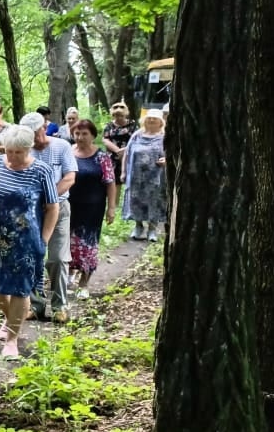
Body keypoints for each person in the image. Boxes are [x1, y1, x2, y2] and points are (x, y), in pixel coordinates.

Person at [0, 125, 59, 360]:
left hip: (25, 240)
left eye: (18, 152)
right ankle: (10, 319)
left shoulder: (41, 170)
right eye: (9, 151)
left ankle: (13, 338)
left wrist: (44, 240)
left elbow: (52, 207)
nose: (13, 156)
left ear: (28, 149)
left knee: (20, 288)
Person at [18, 112, 78, 324]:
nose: (33, 138)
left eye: (35, 132)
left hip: (59, 208)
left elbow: (70, 177)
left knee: (58, 258)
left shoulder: (61, 146)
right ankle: (36, 305)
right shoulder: (25, 150)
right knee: (33, 255)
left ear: (45, 127)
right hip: (32, 211)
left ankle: (60, 305)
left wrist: (50, 198)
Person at [68, 119, 117, 297]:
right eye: (77, 134)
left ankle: (84, 283)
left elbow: (110, 183)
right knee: (68, 243)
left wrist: (111, 208)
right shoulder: (68, 152)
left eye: (84, 134)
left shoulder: (101, 157)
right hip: (69, 206)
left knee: (87, 245)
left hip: (92, 208)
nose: (80, 137)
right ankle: (69, 275)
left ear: (93, 135)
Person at [122, 110, 168, 241]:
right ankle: (138, 226)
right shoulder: (137, 135)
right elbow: (127, 153)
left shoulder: (164, 136)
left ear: (161, 122)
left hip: (156, 177)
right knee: (136, 201)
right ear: (144, 120)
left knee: (154, 201)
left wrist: (167, 160)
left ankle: (152, 230)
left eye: (155, 118)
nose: (152, 120)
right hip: (136, 176)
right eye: (149, 118)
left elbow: (173, 153)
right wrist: (123, 172)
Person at [102, 102, 137, 189]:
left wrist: (125, 150)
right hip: (113, 158)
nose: (119, 118)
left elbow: (137, 139)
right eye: (116, 115)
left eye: (121, 115)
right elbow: (105, 139)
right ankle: (114, 202)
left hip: (129, 156)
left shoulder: (133, 125)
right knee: (114, 184)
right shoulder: (109, 125)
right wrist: (117, 150)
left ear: (125, 114)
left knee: (130, 183)